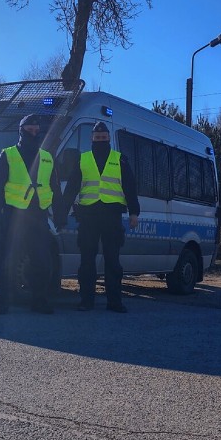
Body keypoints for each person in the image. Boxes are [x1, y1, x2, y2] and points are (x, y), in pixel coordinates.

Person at [58, 121, 139, 313]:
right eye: (97, 138)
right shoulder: (83, 159)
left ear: (109, 138)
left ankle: (115, 302)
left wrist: (134, 212)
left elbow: (130, 187)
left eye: (103, 138)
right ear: (92, 139)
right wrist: (61, 214)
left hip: (112, 217)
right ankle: (86, 301)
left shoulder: (120, 159)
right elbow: (71, 189)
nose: (100, 140)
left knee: (113, 262)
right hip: (89, 218)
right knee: (87, 261)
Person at [0, 114, 61, 314]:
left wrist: (60, 215)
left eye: (36, 131)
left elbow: (54, 187)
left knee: (42, 262)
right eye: (29, 130)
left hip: (38, 216)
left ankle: (39, 300)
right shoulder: (8, 154)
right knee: (7, 260)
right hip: (14, 216)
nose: (33, 133)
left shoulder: (47, 157)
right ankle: (2, 299)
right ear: (21, 131)